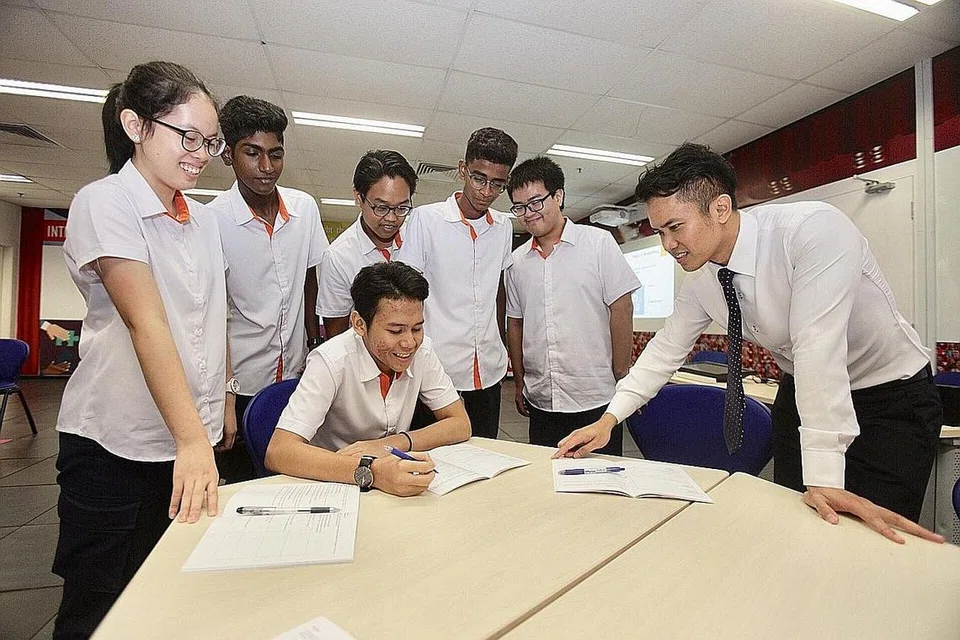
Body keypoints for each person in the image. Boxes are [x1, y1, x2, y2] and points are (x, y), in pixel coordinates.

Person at [556, 142, 944, 545]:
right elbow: (664, 351)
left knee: (874, 542)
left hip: (890, 399)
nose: (667, 245)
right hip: (802, 393)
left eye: (675, 227)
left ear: (720, 209)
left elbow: (818, 349)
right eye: (660, 232)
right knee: (801, 530)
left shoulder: (813, 231)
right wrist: (609, 419)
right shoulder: (703, 278)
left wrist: (824, 475)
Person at [53, 61, 230, 638]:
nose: (202, 155)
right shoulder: (104, 202)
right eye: (189, 137)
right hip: (117, 445)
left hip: (190, 439)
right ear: (135, 126)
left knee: (171, 604)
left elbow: (212, 317)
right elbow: (145, 321)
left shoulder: (204, 221)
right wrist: (192, 439)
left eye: (211, 142)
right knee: (100, 611)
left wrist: (222, 403)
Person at [267, 261, 471, 496]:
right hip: (333, 484)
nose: (409, 343)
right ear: (359, 324)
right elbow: (278, 451)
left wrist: (393, 444)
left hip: (391, 483)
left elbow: (460, 424)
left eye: (417, 329)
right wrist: (372, 471)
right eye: (395, 331)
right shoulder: (331, 360)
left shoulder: (422, 351)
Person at [208, 95, 329, 483]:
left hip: (296, 378)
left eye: (275, 154)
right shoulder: (211, 221)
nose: (266, 167)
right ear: (228, 155)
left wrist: (313, 342)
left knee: (295, 480)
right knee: (242, 487)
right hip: (241, 382)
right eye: (252, 153)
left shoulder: (304, 208)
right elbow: (211, 313)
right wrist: (225, 395)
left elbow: (311, 280)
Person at [505, 157, 639, 454]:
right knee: (546, 475)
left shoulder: (598, 243)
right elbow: (515, 323)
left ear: (558, 196)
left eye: (536, 202)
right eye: (520, 207)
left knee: (600, 477)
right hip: (542, 398)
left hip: (595, 397)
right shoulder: (516, 262)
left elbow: (622, 307)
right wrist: (519, 381)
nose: (528, 214)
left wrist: (621, 372)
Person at [401, 128, 518, 438]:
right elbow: (406, 293)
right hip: (437, 364)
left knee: (486, 450)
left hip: (489, 365)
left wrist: (502, 340)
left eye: (497, 184)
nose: (486, 191)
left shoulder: (503, 227)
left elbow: (498, 288)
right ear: (463, 170)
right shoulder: (426, 220)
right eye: (479, 178)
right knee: (430, 451)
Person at [317, 150, 416, 338]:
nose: (392, 218)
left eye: (402, 207)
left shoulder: (418, 235)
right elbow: (336, 335)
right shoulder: (339, 257)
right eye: (381, 207)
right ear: (359, 197)